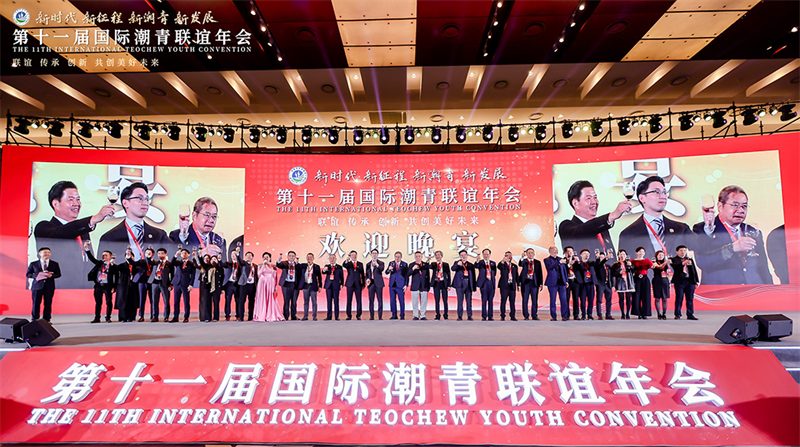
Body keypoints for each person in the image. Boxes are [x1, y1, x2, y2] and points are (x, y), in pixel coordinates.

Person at [34, 181, 115, 289]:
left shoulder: (83, 231)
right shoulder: (44, 228)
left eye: (78, 199)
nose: (76, 203)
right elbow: (63, 232)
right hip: (58, 290)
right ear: (56, 204)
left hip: (84, 290)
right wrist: (93, 219)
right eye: (71, 199)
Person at [693, 185, 772, 285]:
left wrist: (770, 290)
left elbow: (763, 268)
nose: (741, 210)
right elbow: (703, 262)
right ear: (720, 206)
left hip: (753, 290)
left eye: (744, 206)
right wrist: (732, 248)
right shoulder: (703, 229)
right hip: (722, 291)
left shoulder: (753, 231)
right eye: (735, 205)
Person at [619, 176, 694, 259]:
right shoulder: (627, 234)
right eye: (656, 192)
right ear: (642, 198)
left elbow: (701, 249)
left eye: (664, 192)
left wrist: (706, 227)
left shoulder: (681, 229)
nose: (663, 196)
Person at [98, 182, 173, 262]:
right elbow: (101, 267)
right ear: (125, 203)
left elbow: (176, 255)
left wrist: (181, 234)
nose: (145, 203)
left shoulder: (159, 235)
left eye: (147, 199)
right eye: (139, 198)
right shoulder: (109, 238)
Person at [558, 180, 630, 259]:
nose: (594, 202)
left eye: (595, 197)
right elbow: (585, 229)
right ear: (575, 203)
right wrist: (611, 216)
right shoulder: (567, 227)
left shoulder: (602, 228)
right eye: (588, 198)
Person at [169, 197, 226, 261]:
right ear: (194, 215)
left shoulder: (219, 240)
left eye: (214, 216)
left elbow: (225, 266)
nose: (211, 220)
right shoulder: (177, 236)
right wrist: (201, 254)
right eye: (207, 215)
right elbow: (174, 261)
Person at [26, 247, 61, 322]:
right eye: (45, 252)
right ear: (39, 253)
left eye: (48, 252)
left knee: (48, 303)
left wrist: (51, 275)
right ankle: (35, 319)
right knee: (36, 303)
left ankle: (46, 319)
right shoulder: (34, 264)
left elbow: (58, 274)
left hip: (49, 287)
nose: (47, 254)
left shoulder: (54, 264)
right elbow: (28, 274)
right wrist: (37, 275)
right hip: (37, 286)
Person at [85, 244, 116, 323]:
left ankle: (108, 317)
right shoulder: (99, 263)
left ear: (110, 256)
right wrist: (87, 249)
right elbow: (92, 258)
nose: (104, 256)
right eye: (103, 255)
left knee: (108, 302)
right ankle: (97, 318)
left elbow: (116, 277)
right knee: (98, 302)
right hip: (98, 285)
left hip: (107, 286)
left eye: (106, 255)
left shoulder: (113, 266)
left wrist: (114, 287)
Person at [671, 245, 700, 320]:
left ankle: (690, 314)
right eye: (681, 250)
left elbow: (693, 270)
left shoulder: (689, 259)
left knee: (690, 298)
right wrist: (683, 263)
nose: (683, 252)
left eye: (684, 250)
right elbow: (676, 268)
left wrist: (696, 281)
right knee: (679, 298)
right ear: (677, 251)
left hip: (689, 281)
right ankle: (677, 314)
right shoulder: (674, 259)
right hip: (680, 282)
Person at [254, 252, 284, 322]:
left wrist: (275, 286)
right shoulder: (260, 266)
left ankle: (270, 314)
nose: (266, 258)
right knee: (262, 298)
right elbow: (259, 274)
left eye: (267, 257)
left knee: (271, 298)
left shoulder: (273, 266)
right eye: (264, 257)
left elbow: (275, 276)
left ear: (270, 258)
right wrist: (263, 265)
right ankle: (262, 314)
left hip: (271, 283)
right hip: (262, 283)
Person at [147, 248, 173, 322]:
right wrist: (149, 256)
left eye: (162, 253)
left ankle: (166, 317)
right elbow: (149, 262)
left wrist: (171, 284)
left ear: (165, 254)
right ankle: (155, 317)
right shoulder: (156, 262)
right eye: (158, 253)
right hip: (155, 282)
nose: (160, 255)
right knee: (154, 301)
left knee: (166, 301)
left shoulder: (169, 264)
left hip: (164, 283)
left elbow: (172, 275)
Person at [171, 248, 196, 323]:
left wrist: (191, 284)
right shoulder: (178, 262)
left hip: (186, 284)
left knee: (186, 301)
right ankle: (175, 317)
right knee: (176, 301)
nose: (183, 254)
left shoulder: (191, 264)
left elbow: (193, 275)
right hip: (177, 284)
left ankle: (186, 317)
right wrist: (176, 254)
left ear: (188, 254)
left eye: (185, 253)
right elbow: (172, 262)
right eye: (182, 253)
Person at [544, 246, 569, 321]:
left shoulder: (560, 259)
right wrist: (558, 263)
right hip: (552, 283)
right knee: (553, 300)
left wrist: (566, 281)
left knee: (564, 300)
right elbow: (549, 267)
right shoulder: (547, 260)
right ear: (549, 251)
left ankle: (564, 316)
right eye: (553, 250)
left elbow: (564, 271)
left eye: (556, 250)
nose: (555, 251)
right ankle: (553, 316)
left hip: (561, 282)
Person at [451, 250, 476, 321]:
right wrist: (457, 265)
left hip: (468, 283)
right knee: (460, 300)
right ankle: (459, 315)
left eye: (464, 255)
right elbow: (453, 269)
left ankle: (469, 315)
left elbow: (473, 276)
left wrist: (473, 286)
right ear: (459, 256)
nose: (463, 256)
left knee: (469, 301)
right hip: (459, 284)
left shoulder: (470, 265)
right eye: (461, 255)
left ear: (467, 255)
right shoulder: (457, 263)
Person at [519, 248, 543, 321]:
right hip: (525, 283)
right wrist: (522, 257)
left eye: (532, 252)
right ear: (526, 254)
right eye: (528, 253)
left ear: (534, 254)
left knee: (534, 300)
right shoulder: (524, 261)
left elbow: (540, 273)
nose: (530, 254)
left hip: (534, 283)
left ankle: (534, 315)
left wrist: (541, 283)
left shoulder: (537, 262)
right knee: (525, 300)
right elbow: (520, 264)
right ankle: (526, 315)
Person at [611, 249, 636, 319]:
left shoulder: (629, 263)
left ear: (626, 255)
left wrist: (631, 266)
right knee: (621, 298)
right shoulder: (615, 264)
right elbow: (613, 274)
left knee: (628, 299)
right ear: (618, 255)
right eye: (621, 254)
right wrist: (619, 273)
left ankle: (628, 313)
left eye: (624, 254)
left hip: (628, 282)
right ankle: (622, 313)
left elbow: (634, 271)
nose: (622, 256)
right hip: (620, 282)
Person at [276, 251, 301, 320]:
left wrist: (297, 264)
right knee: (286, 300)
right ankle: (286, 316)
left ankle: (293, 315)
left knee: (294, 301)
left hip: (294, 284)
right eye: (290, 256)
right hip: (286, 284)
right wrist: (279, 260)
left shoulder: (297, 265)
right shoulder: (284, 263)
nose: (291, 257)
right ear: (287, 257)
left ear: (295, 257)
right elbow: (279, 265)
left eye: (293, 256)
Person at [572, 249, 596, 320]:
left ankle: (590, 314)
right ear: (581, 255)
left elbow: (598, 264)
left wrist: (598, 257)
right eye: (585, 253)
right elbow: (581, 269)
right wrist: (578, 262)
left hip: (590, 284)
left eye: (588, 254)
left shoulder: (591, 263)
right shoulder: (577, 263)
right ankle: (583, 315)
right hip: (582, 284)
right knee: (582, 300)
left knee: (591, 300)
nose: (587, 255)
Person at [630, 247, 653, 319]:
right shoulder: (632, 261)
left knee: (646, 296)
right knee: (636, 296)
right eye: (640, 251)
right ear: (636, 252)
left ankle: (645, 313)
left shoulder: (647, 260)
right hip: (636, 278)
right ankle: (638, 313)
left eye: (643, 252)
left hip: (645, 279)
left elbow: (652, 266)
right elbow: (631, 269)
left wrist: (655, 265)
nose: (641, 253)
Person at [342, 250, 366, 320]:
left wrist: (363, 284)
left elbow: (362, 274)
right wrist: (346, 260)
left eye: (355, 255)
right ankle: (349, 315)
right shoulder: (348, 264)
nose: (354, 256)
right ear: (350, 256)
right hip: (350, 284)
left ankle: (358, 315)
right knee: (349, 300)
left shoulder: (360, 264)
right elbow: (344, 265)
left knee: (359, 300)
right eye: (352, 255)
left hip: (358, 284)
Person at [219, 245, 241, 321]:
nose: (233, 256)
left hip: (237, 284)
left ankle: (238, 316)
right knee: (228, 301)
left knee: (238, 300)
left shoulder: (240, 264)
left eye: (234, 254)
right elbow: (221, 265)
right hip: (229, 284)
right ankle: (227, 316)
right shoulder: (228, 263)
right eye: (232, 254)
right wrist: (219, 259)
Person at [134, 247, 156, 322]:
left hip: (152, 282)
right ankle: (141, 316)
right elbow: (133, 263)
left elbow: (151, 264)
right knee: (142, 299)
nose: (148, 254)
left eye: (149, 253)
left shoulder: (155, 262)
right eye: (146, 253)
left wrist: (150, 259)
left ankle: (153, 315)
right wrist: (128, 257)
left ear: (153, 254)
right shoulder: (141, 262)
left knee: (152, 300)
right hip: (142, 281)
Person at [299, 253, 322, 321]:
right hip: (306, 285)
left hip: (313, 286)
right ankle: (305, 316)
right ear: (306, 258)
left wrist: (320, 286)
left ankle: (314, 316)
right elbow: (297, 266)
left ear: (313, 258)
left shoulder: (316, 266)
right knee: (306, 302)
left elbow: (319, 277)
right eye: (308, 257)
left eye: (311, 257)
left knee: (314, 302)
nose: (309, 258)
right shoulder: (303, 266)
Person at [407, 251, 430, 320]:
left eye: (419, 256)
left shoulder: (425, 265)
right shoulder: (411, 265)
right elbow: (407, 274)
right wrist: (413, 269)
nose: (418, 258)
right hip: (415, 285)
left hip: (424, 285)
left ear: (421, 257)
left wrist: (428, 286)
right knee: (414, 302)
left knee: (424, 302)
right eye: (416, 256)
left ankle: (422, 315)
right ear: (414, 257)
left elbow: (428, 276)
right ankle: (416, 315)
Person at [385, 252, 408, 320]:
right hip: (392, 284)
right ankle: (394, 314)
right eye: (396, 256)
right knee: (392, 300)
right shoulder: (391, 263)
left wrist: (406, 284)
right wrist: (389, 269)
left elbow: (406, 276)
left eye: (398, 257)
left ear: (401, 257)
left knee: (401, 300)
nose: (397, 258)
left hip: (400, 284)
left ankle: (402, 314)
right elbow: (386, 272)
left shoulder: (404, 264)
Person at [497, 251, 519, 321]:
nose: (509, 257)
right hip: (504, 286)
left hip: (512, 285)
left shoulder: (514, 266)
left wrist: (518, 285)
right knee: (503, 301)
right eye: (507, 255)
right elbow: (499, 266)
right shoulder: (503, 265)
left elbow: (517, 276)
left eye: (510, 255)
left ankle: (512, 316)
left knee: (512, 301)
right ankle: (502, 316)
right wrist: (503, 260)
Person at [236, 251, 258, 321]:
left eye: (250, 255)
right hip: (244, 285)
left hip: (252, 285)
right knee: (242, 301)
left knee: (251, 301)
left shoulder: (255, 266)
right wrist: (237, 254)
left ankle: (250, 317)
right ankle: (241, 317)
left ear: (252, 257)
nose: (248, 257)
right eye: (247, 255)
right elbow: (239, 261)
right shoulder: (243, 264)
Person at [475, 249, 496, 321]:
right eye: (484, 254)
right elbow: (476, 266)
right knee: (484, 300)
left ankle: (490, 316)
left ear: (490, 255)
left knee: (491, 300)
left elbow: (494, 273)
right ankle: (484, 316)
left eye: (487, 254)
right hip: (484, 283)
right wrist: (477, 260)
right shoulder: (480, 263)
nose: (486, 256)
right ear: (482, 255)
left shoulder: (493, 263)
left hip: (491, 283)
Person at [430, 250, 451, 320]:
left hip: (444, 283)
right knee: (437, 300)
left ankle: (446, 315)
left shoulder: (445, 265)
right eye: (436, 255)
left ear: (441, 256)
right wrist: (428, 260)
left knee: (445, 300)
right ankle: (437, 315)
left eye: (439, 255)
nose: (437, 256)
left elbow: (449, 275)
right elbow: (428, 267)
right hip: (436, 283)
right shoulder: (433, 264)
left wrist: (449, 285)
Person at [592, 250, 613, 320]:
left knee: (609, 300)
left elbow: (611, 276)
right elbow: (599, 264)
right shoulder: (597, 265)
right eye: (600, 257)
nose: (602, 259)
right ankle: (599, 314)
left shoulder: (608, 266)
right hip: (600, 284)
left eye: (603, 257)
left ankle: (608, 314)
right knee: (599, 300)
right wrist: (605, 258)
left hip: (608, 285)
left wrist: (612, 285)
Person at [365, 249, 386, 320]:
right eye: (373, 253)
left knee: (380, 300)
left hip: (379, 283)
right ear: (371, 254)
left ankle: (380, 316)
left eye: (375, 253)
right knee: (371, 300)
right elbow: (367, 274)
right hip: (371, 283)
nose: (374, 254)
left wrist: (377, 265)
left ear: (377, 254)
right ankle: (371, 316)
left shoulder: (381, 263)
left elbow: (381, 269)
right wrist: (367, 279)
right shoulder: (368, 264)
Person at [323, 254, 344, 320]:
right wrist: (324, 270)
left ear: (336, 259)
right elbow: (323, 272)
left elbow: (342, 276)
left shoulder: (339, 267)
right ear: (329, 259)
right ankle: (329, 316)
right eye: (331, 258)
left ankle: (336, 316)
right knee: (329, 301)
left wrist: (341, 284)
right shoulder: (327, 266)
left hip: (336, 285)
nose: (332, 259)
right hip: (328, 286)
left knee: (336, 301)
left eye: (333, 258)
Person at [651, 250, 671, 320]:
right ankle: (658, 313)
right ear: (656, 256)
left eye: (662, 255)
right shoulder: (654, 263)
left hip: (665, 280)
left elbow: (667, 273)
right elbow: (659, 267)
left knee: (665, 298)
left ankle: (664, 313)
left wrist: (669, 282)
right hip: (657, 280)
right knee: (657, 298)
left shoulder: (666, 264)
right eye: (659, 255)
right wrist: (666, 262)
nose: (661, 256)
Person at [563, 246, 580, 320]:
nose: (570, 252)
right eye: (569, 251)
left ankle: (576, 315)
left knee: (576, 299)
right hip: (567, 281)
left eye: (571, 251)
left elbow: (581, 269)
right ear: (565, 252)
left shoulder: (576, 260)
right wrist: (569, 265)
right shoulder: (563, 260)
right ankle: (567, 315)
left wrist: (578, 262)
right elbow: (563, 270)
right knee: (566, 298)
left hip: (575, 281)